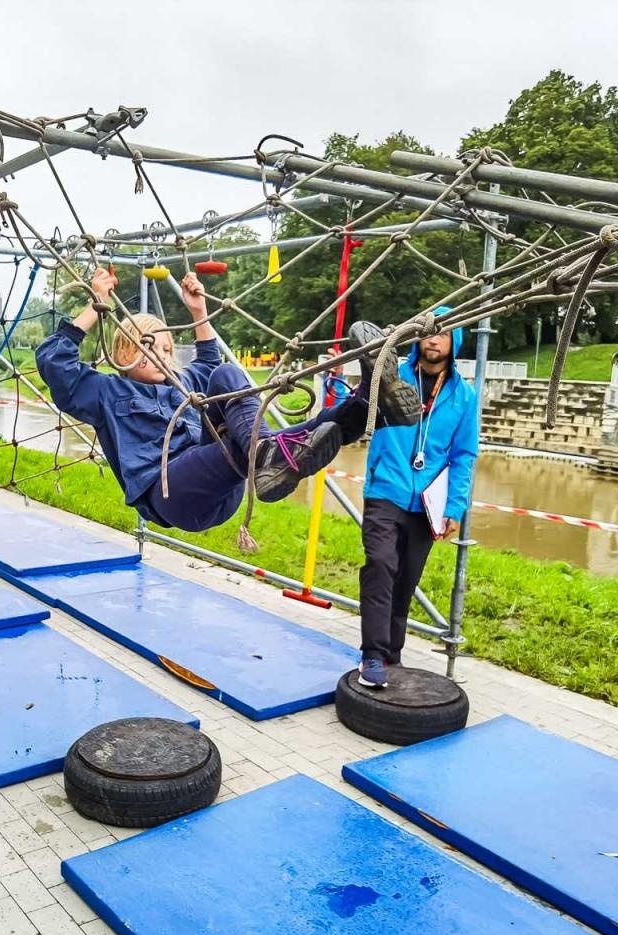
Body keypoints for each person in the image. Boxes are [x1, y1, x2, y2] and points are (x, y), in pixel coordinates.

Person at [37, 268, 413, 532]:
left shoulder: (185, 381)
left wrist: (198, 311)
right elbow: (55, 364)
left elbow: (209, 359)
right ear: (123, 353)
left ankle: (371, 407)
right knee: (258, 446)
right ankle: (275, 450)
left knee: (228, 379)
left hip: (226, 486)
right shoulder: (106, 392)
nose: (162, 355)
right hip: (172, 494)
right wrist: (96, 303)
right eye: (149, 346)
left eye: (169, 347)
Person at [352, 306, 480, 688]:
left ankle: (392, 652)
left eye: (443, 332)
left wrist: (454, 507)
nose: (434, 339)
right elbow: (360, 402)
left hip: (427, 504)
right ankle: (372, 654)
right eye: (429, 331)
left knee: (406, 579)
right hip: (385, 491)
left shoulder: (464, 396)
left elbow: (464, 455)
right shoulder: (390, 377)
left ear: (454, 342)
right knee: (380, 566)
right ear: (418, 338)